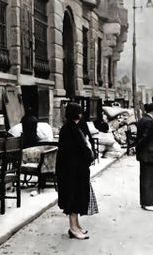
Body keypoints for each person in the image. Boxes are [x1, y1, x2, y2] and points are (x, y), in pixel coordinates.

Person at [56, 102, 97, 240]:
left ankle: (77, 225)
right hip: (71, 172)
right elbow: (76, 150)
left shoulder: (74, 127)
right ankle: (73, 228)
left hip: (77, 170)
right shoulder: (69, 129)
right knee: (73, 198)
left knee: (78, 197)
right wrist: (88, 154)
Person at [136, 103, 153, 211]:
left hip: (144, 154)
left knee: (145, 178)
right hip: (149, 154)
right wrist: (139, 148)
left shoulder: (143, 119)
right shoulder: (150, 122)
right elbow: (145, 138)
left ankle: (145, 201)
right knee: (149, 179)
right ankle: (148, 202)